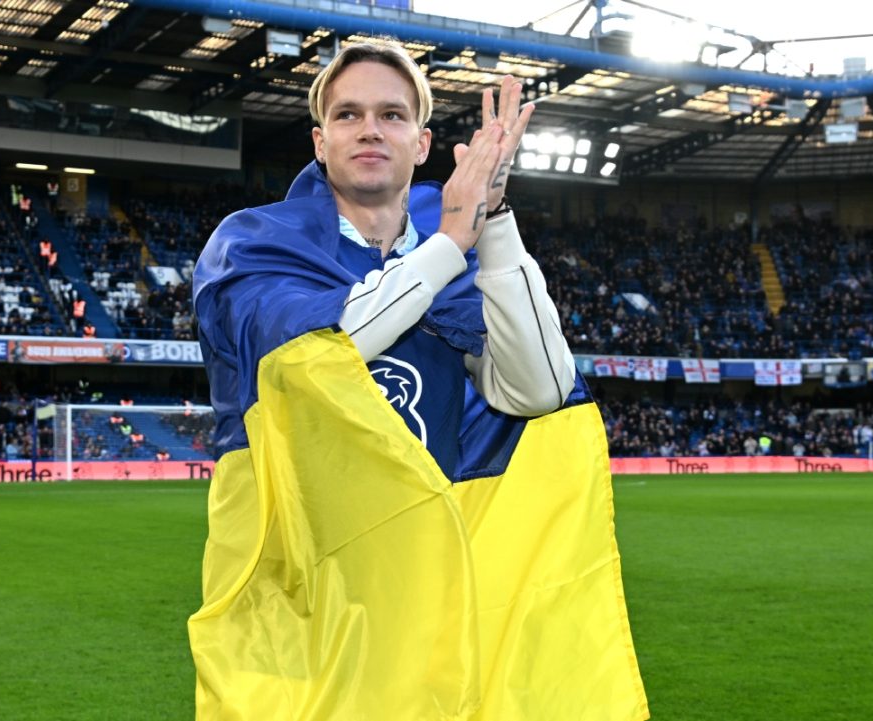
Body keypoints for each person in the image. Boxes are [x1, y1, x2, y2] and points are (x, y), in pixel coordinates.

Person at [189, 42, 645, 720]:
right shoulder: (254, 244)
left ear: (423, 143)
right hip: (299, 585)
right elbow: (322, 352)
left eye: (392, 115)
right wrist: (451, 242)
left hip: (421, 589)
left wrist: (495, 222)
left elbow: (542, 391)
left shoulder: (454, 254)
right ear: (320, 142)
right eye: (348, 114)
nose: (369, 130)